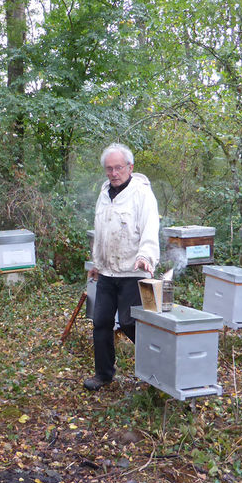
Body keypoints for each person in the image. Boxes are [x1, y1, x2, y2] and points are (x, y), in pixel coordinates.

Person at [85, 143, 160, 391]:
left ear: (130, 167)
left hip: (133, 272)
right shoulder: (104, 192)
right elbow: (101, 230)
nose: (114, 173)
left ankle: (160, 366)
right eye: (109, 169)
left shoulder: (141, 194)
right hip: (107, 272)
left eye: (118, 167)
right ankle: (104, 374)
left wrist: (146, 257)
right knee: (101, 322)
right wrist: (97, 262)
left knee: (130, 323)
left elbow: (150, 229)